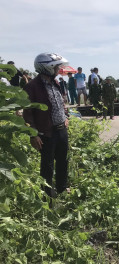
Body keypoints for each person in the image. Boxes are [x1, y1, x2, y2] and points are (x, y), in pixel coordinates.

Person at [23, 52, 70, 197]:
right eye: (56, 67)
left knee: (63, 160)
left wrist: (65, 116)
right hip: (46, 132)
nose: (58, 69)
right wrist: (33, 134)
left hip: (61, 129)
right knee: (47, 165)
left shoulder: (55, 83)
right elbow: (28, 112)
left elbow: (60, 103)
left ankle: (62, 188)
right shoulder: (32, 87)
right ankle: (48, 194)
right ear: (46, 68)